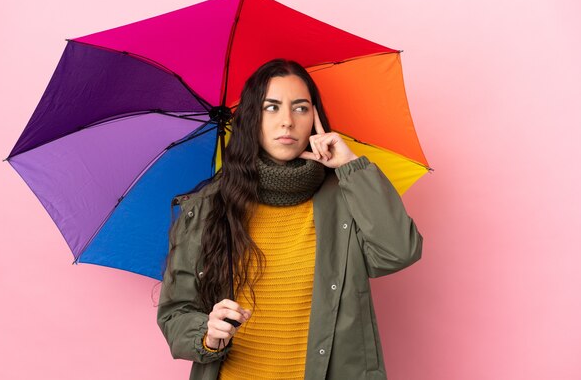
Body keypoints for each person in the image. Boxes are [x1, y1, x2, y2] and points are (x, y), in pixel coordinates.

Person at [157, 59, 423, 380]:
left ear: (315, 118)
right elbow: (176, 313)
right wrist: (208, 333)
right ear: (251, 118)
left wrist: (351, 165)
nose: (287, 121)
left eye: (300, 108)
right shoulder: (208, 207)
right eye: (271, 108)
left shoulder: (346, 195)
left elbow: (399, 251)